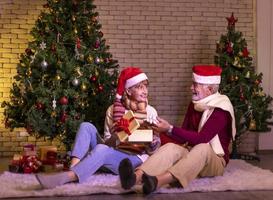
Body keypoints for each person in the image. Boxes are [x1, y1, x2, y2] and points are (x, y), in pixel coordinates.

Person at [36, 67, 161, 189]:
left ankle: (67, 177)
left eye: (146, 86)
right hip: (112, 149)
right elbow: (108, 141)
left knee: (101, 149)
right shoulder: (113, 110)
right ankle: (74, 168)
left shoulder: (150, 112)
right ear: (128, 91)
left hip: (133, 160)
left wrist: (153, 144)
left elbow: (153, 150)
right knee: (86, 126)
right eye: (140, 87)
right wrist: (117, 136)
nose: (145, 91)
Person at [118, 65, 236, 194]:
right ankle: (134, 177)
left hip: (213, 160)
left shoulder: (221, 109)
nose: (191, 88)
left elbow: (202, 139)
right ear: (128, 92)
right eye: (139, 87)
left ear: (209, 89)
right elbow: (184, 135)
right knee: (171, 147)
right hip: (189, 153)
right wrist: (162, 130)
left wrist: (169, 128)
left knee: (203, 147)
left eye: (195, 84)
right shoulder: (194, 105)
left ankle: (158, 181)